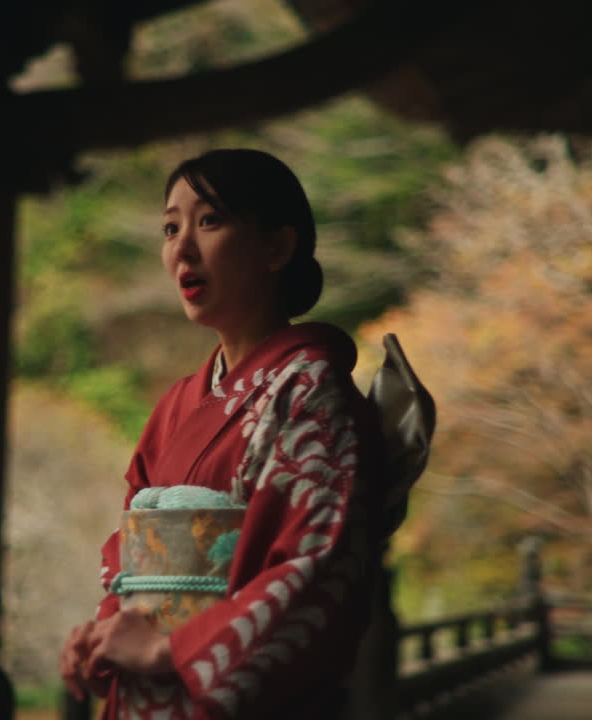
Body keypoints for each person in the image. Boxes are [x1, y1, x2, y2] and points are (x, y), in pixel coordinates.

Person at [59, 149, 389, 719]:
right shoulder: (175, 405)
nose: (181, 248)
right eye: (170, 227)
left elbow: (318, 566)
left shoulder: (310, 391)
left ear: (278, 247)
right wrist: (106, 629)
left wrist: (172, 648)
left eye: (209, 221)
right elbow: (131, 555)